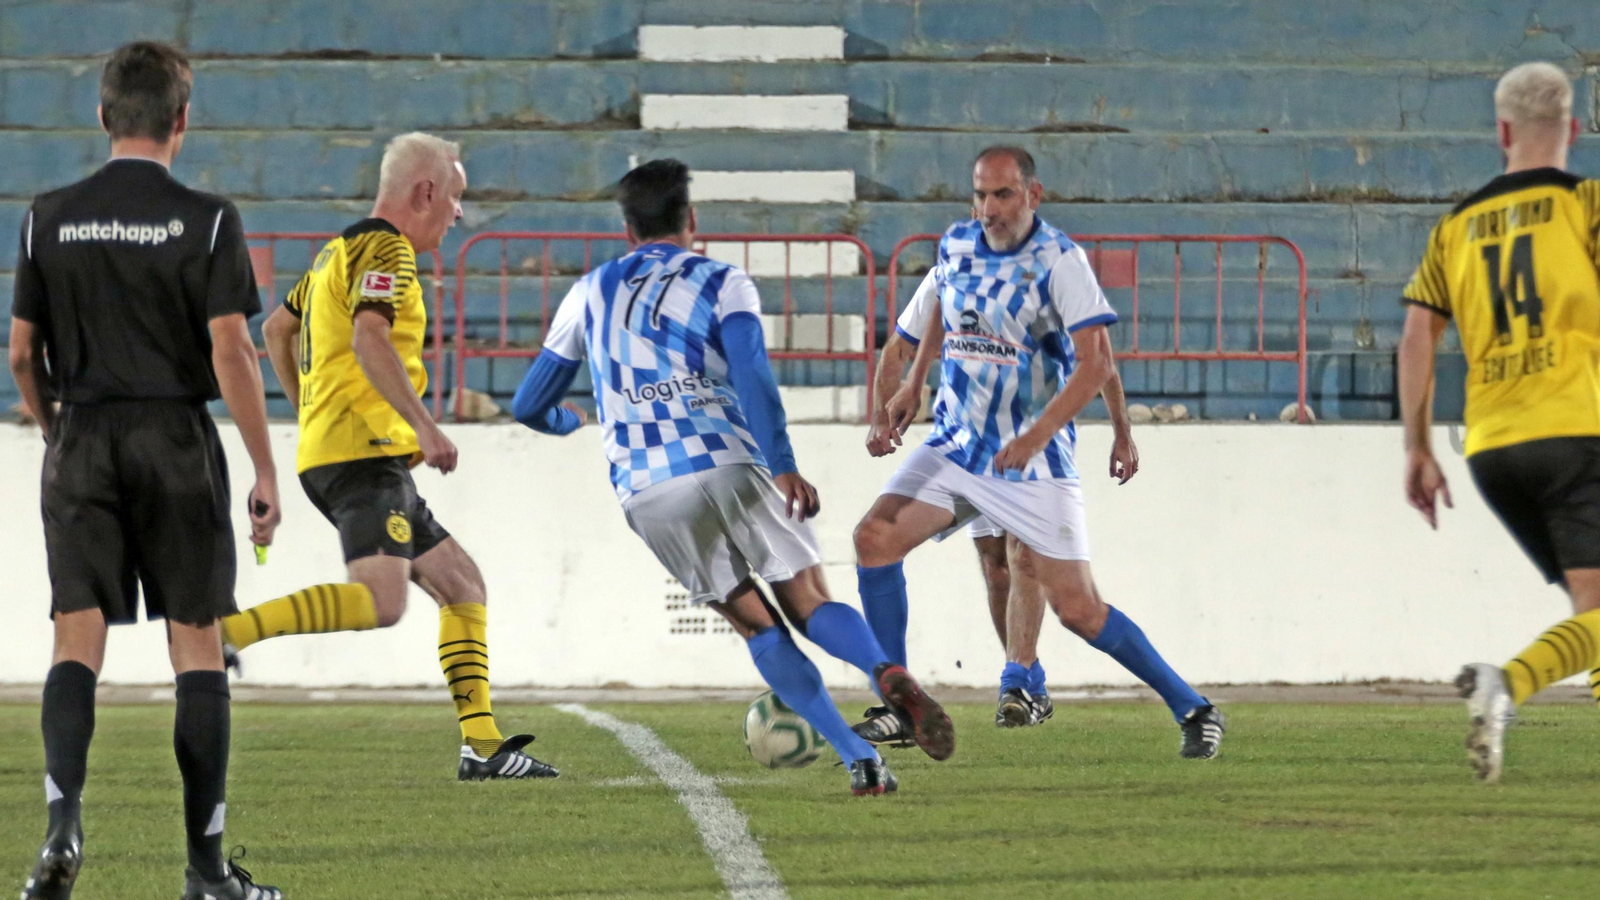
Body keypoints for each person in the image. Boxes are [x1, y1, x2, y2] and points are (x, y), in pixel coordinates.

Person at [510, 158, 955, 796]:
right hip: (731, 462)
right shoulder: (723, 281)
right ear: (691, 220)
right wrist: (783, 466)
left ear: (628, 227)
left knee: (756, 624)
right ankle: (884, 670)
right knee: (809, 600)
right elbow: (751, 374)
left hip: (648, 489)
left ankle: (858, 756)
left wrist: (563, 419)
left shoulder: (589, 291)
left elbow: (528, 404)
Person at [10, 41, 284, 900]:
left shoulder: (46, 215)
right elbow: (231, 348)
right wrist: (264, 467)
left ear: (102, 116)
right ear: (182, 119)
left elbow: (21, 355)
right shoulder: (208, 218)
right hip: (174, 439)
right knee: (195, 646)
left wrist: (59, 428)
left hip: (82, 436)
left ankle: (62, 823)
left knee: (75, 638)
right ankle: (206, 873)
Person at [851, 145, 1223, 759]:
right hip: (958, 445)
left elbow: (1095, 362)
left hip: (1033, 459)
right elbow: (938, 308)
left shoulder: (1060, 263)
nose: (989, 209)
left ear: (1032, 195)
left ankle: (1194, 707)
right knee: (875, 538)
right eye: (980, 195)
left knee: (1078, 609)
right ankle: (898, 702)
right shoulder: (957, 246)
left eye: (1001, 195)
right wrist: (914, 383)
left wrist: (1067, 432)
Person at [220, 133, 557, 781]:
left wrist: (309, 409)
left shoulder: (334, 254)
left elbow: (275, 330)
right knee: (383, 602)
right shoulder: (387, 249)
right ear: (425, 192)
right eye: (456, 196)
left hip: (345, 449)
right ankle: (229, 632)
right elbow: (370, 334)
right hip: (364, 452)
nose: (459, 213)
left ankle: (483, 747)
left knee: (462, 583)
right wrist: (426, 427)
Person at [1398, 61, 1600, 784]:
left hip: (1492, 447)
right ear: (1573, 129)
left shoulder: (1456, 226)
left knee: (1592, 608)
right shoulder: (1586, 205)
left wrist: (1418, 448)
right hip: (1577, 429)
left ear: (1503, 131)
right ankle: (1506, 683)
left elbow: (1418, 334)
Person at [870, 296, 1140, 728]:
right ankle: (1029, 682)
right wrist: (883, 412)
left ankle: (1015, 683)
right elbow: (902, 344)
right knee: (996, 568)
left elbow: (1099, 359)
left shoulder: (1045, 279)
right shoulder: (951, 273)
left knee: (1025, 558)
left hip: (1032, 446)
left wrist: (1121, 432)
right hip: (973, 448)